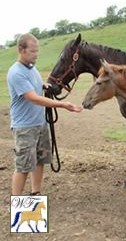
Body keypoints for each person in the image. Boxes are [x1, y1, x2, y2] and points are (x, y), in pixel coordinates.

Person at [7, 33, 83, 195]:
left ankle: (36, 193)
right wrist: (63, 104)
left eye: (37, 51)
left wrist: (43, 85)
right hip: (25, 127)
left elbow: (34, 86)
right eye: (33, 51)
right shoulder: (16, 72)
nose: (37, 54)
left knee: (41, 160)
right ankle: (17, 201)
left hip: (40, 123)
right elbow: (33, 98)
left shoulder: (31, 68)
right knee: (23, 166)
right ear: (21, 50)